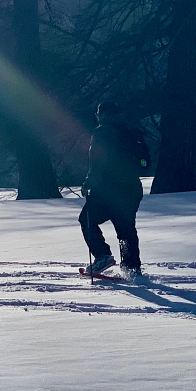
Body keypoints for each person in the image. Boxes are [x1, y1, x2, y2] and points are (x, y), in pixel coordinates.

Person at [79, 102, 150, 275]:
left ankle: (102, 256)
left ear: (102, 113)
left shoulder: (103, 131)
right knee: (125, 229)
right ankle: (131, 268)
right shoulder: (131, 131)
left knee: (87, 219)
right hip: (132, 189)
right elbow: (145, 163)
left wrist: (89, 183)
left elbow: (98, 161)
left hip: (108, 189)